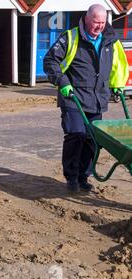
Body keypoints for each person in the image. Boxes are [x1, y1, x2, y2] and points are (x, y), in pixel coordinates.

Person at [43, 4, 129, 192]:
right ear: (86, 18)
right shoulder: (70, 37)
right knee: (76, 134)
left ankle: (84, 175)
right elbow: (50, 61)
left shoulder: (111, 40)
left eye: (103, 22)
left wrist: (118, 85)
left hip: (97, 99)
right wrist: (62, 82)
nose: (99, 26)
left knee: (92, 139)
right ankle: (71, 177)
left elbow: (119, 65)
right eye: (96, 22)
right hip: (73, 97)